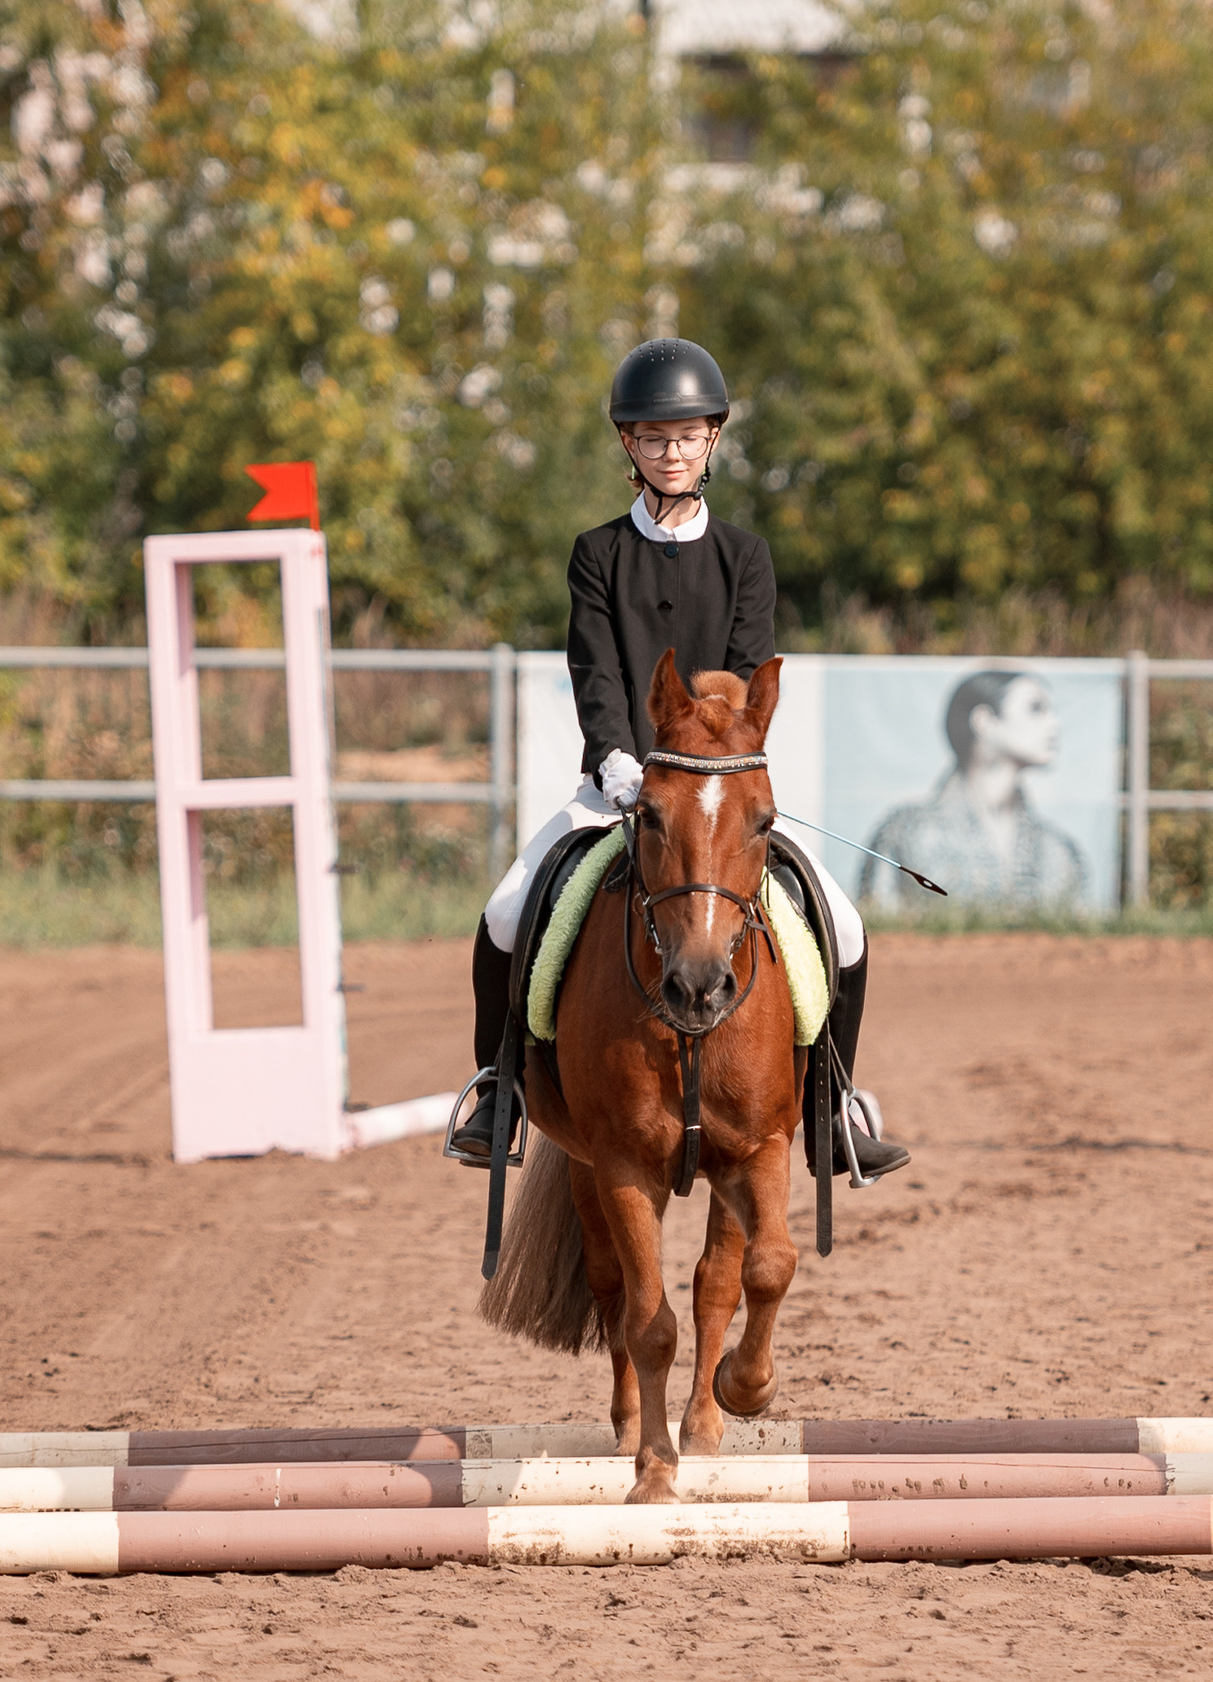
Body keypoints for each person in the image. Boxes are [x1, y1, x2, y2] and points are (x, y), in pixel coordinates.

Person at [446, 337, 908, 1179]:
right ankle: (498, 1090)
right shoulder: (598, 554)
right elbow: (595, 670)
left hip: (717, 789)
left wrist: (708, 767)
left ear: (713, 441)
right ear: (629, 443)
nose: (671, 450)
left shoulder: (745, 557)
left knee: (839, 922)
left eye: (687, 435)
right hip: (620, 785)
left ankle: (830, 1106)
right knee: (508, 909)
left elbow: (743, 677)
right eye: (654, 437)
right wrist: (618, 763)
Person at [862, 669, 1088, 911]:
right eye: (1035, 709)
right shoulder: (905, 833)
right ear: (984, 721)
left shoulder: (1057, 849)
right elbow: (872, 925)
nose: (1055, 724)